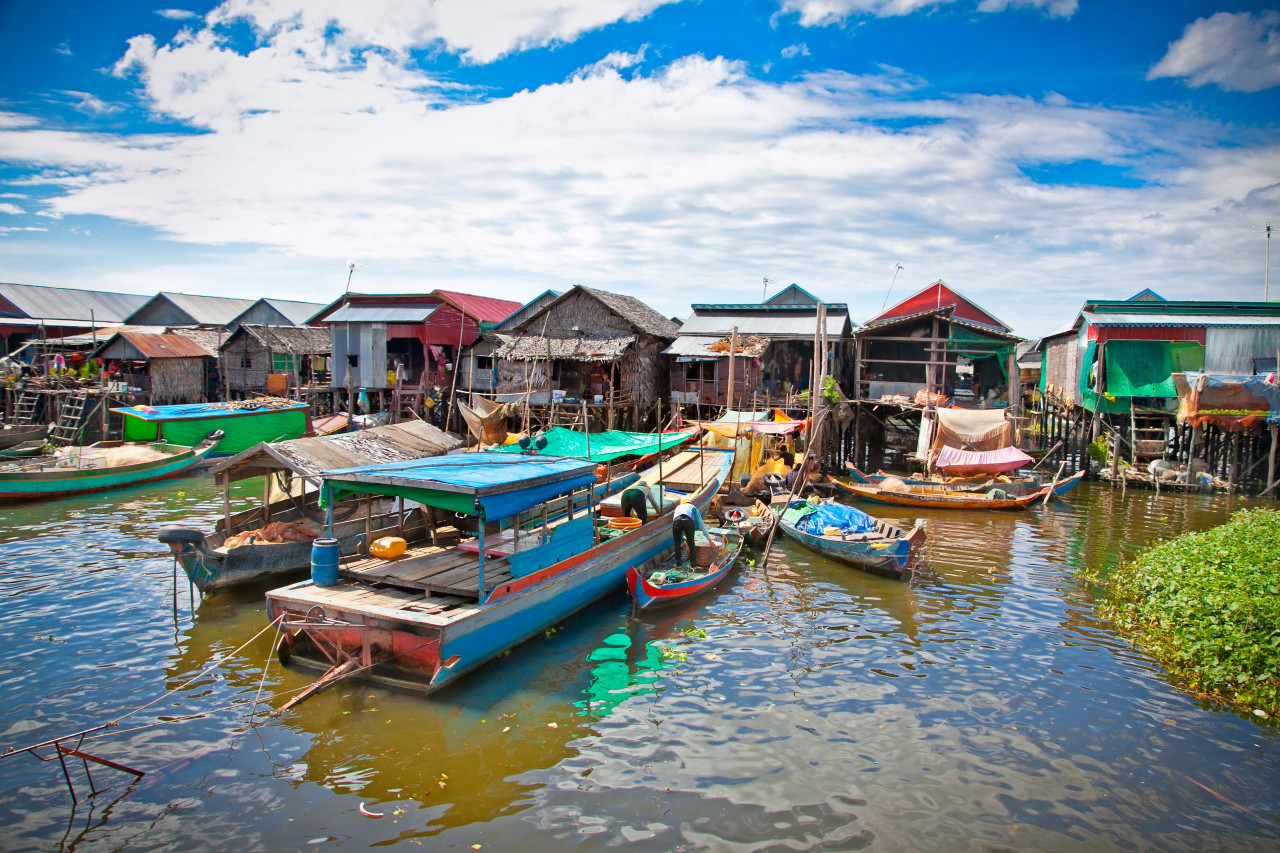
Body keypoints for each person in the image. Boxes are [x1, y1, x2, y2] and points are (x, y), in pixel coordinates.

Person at [671, 497, 711, 568]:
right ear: (690, 502)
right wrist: (709, 539)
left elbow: (674, 519)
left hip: (677, 521)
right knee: (691, 543)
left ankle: (678, 564)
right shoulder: (693, 507)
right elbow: (700, 523)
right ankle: (693, 565)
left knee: (677, 542)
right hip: (688, 521)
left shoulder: (678, 507)